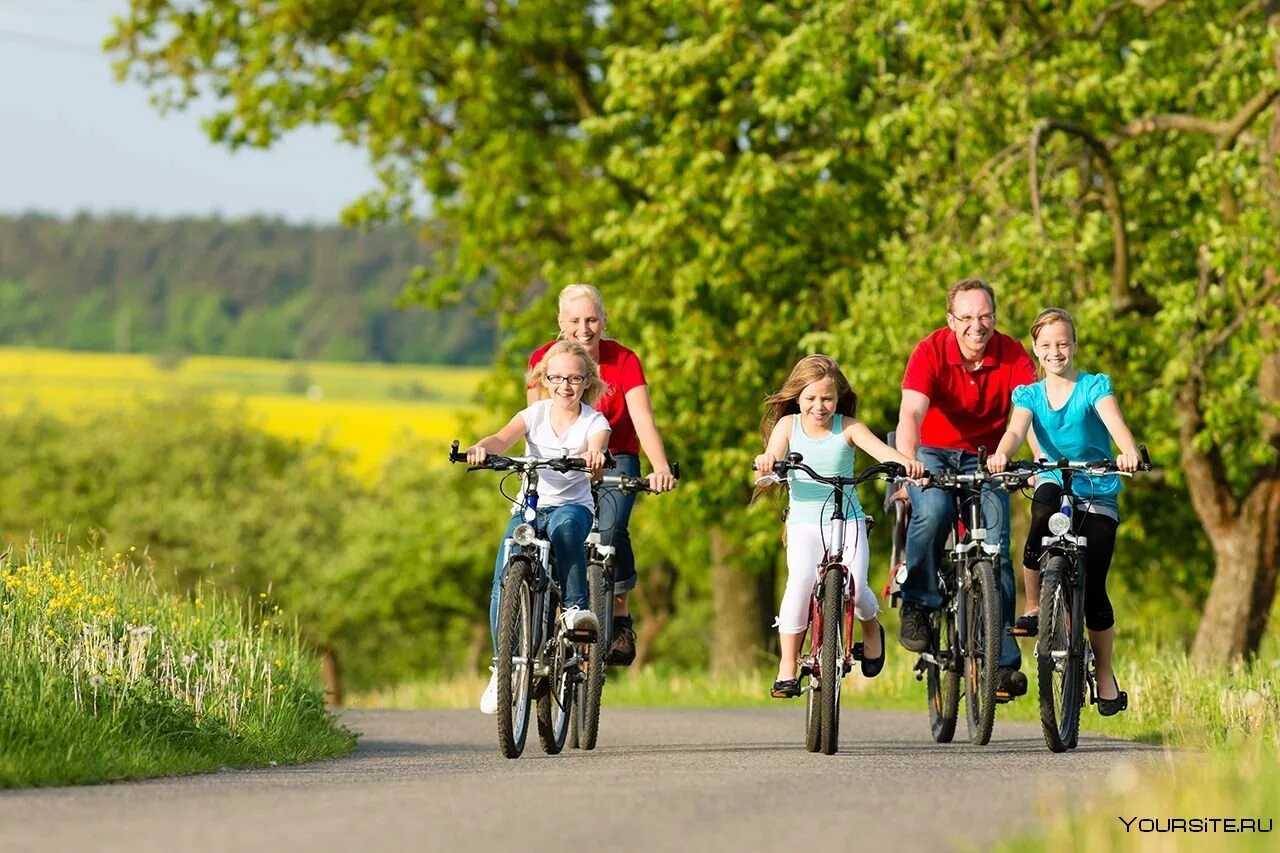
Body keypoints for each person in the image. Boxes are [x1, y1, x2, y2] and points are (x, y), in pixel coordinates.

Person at [987, 307, 1142, 716]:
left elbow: (1115, 423)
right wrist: (1003, 454)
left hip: (1096, 484)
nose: (1056, 351)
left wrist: (1126, 451)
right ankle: (1036, 605)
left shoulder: (1094, 386)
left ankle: (1105, 674)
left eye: (1063, 343)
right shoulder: (1029, 395)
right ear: (1036, 350)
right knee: (1040, 521)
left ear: (1074, 345)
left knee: (1094, 591)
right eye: (1047, 345)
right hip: (1054, 475)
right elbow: (1017, 430)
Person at [895, 278, 1037, 699]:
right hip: (932, 452)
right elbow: (911, 413)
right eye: (968, 317)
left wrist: (1027, 459)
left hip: (989, 455)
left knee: (997, 549)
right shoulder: (930, 351)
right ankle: (918, 602)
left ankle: (1002, 665)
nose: (978, 326)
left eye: (986, 316)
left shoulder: (1011, 353)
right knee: (934, 511)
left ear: (995, 316)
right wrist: (908, 462)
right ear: (951, 320)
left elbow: (1027, 413)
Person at [753, 355, 924, 698]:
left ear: (838, 397)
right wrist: (767, 463)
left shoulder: (847, 427)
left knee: (857, 588)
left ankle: (871, 631)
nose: (819, 406)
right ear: (797, 397)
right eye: (811, 398)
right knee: (799, 584)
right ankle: (788, 665)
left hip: (848, 520)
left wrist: (908, 464)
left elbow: (881, 453)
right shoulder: (789, 426)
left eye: (827, 398)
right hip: (804, 523)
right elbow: (770, 457)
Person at [528, 284, 676, 666]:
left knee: (611, 530)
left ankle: (620, 612)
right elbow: (536, 422)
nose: (584, 328)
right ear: (561, 323)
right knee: (550, 531)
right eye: (575, 320)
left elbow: (642, 418)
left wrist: (660, 467)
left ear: (604, 320)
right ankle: (557, 607)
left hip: (616, 456)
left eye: (592, 319)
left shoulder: (623, 360)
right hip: (562, 460)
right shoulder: (543, 360)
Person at [470, 340, 610, 714]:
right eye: (557, 378)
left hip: (571, 507)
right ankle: (504, 669)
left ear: (587, 382)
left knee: (566, 530)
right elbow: (501, 438)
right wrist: (482, 448)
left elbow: (598, 451)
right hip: (530, 506)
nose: (565, 386)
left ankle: (577, 609)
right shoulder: (533, 415)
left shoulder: (594, 421)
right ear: (544, 379)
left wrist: (593, 457)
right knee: (507, 564)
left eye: (574, 378)